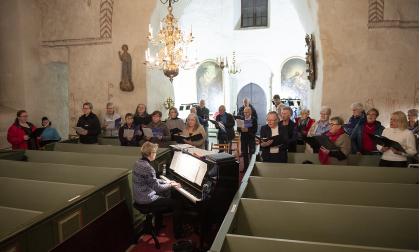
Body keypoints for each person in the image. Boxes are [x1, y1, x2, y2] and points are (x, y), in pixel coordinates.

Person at [132, 141, 184, 238]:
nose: (155, 154)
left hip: (138, 197)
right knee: (177, 204)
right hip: (146, 199)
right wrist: (171, 185)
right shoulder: (148, 168)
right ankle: (178, 234)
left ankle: (158, 226)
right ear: (150, 154)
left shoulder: (137, 163)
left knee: (161, 198)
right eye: (154, 152)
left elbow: (153, 180)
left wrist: (167, 182)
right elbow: (157, 188)